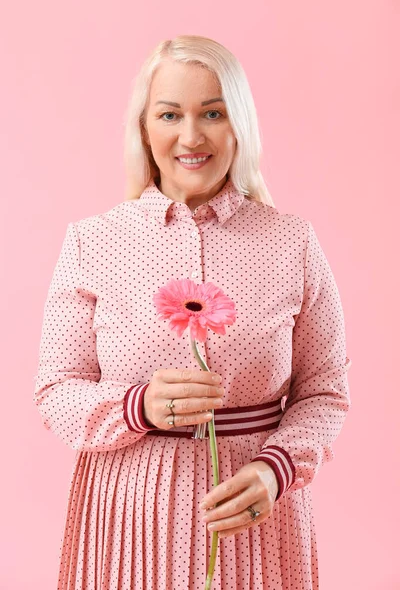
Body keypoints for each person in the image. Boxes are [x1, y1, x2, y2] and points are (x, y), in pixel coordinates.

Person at [33, 34, 352, 590]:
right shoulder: (92, 242)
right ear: (144, 128)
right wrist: (138, 406)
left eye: (212, 112)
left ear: (239, 125)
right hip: (124, 516)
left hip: (256, 518)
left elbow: (325, 389)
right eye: (169, 114)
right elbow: (56, 392)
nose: (190, 135)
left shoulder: (292, 242)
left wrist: (275, 471)